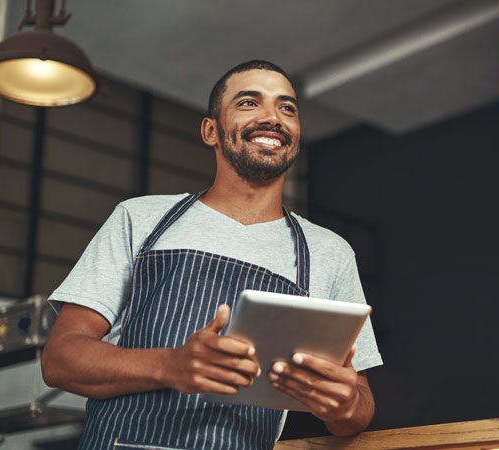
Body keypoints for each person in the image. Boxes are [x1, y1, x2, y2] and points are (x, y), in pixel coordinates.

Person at [41, 60, 383, 450]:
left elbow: (360, 407)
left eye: (287, 108)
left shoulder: (329, 253)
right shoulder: (140, 218)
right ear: (211, 131)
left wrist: (343, 405)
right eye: (249, 103)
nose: (273, 117)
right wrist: (169, 366)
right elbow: (60, 360)